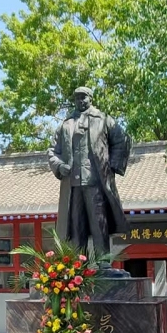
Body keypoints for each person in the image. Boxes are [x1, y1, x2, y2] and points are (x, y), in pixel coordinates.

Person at [47, 86, 132, 255]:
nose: (80, 100)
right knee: (77, 225)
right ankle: (78, 264)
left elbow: (122, 140)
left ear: (90, 98)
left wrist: (111, 166)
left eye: (83, 97)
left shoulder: (103, 119)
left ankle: (103, 263)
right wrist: (59, 165)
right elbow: (52, 150)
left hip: (95, 182)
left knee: (98, 222)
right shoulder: (66, 124)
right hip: (73, 184)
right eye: (77, 98)